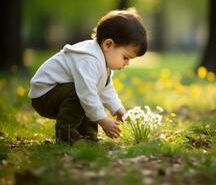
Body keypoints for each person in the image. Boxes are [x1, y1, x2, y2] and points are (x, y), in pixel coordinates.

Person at [28, 8, 147, 145]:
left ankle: (88, 136)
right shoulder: (89, 60)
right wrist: (103, 119)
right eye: (125, 57)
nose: (127, 63)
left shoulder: (103, 62)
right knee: (85, 94)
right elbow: (87, 94)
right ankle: (66, 135)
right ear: (108, 44)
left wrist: (117, 109)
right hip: (44, 95)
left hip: (59, 92)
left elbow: (105, 88)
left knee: (89, 92)